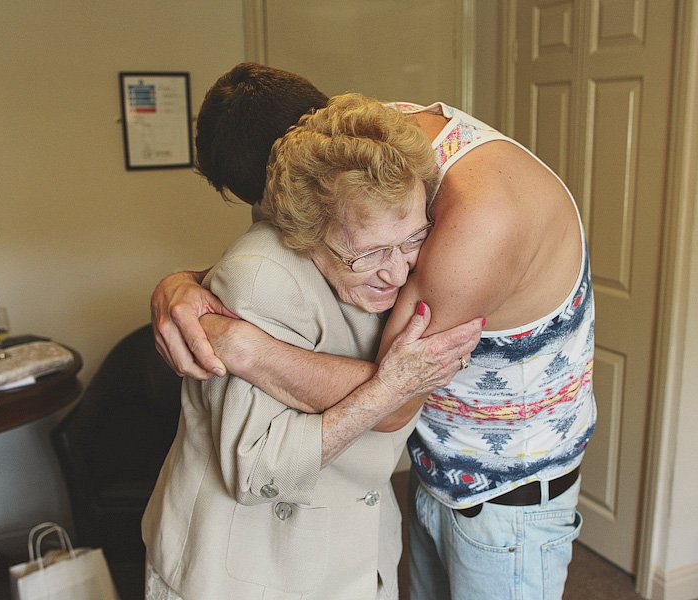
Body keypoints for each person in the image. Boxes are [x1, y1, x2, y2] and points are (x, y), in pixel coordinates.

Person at [152, 63, 596, 600]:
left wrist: (244, 347)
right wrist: (185, 282)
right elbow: (271, 271)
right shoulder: (372, 136)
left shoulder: (471, 224)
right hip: (434, 472)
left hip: (507, 501)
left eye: (410, 243)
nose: (394, 268)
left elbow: (396, 402)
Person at [142, 91, 484, 600]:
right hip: (246, 568)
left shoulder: (389, 240)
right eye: (368, 255)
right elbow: (260, 471)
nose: (397, 271)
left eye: (413, 239)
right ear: (305, 233)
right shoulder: (260, 279)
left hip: (352, 543)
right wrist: (391, 387)